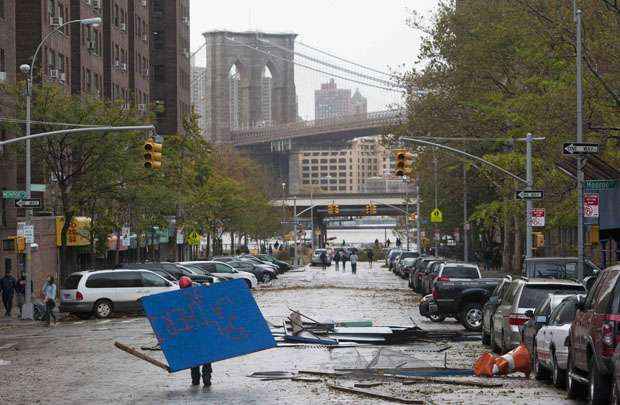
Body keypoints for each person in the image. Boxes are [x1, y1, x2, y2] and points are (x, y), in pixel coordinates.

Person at [179, 276, 213, 386]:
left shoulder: (198, 291)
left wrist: (208, 287)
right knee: (197, 356)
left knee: (203, 356)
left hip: (201, 329)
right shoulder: (178, 297)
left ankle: (204, 379)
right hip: (192, 331)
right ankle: (197, 379)